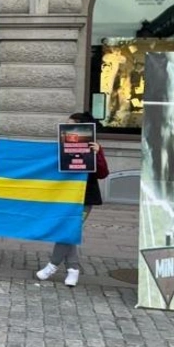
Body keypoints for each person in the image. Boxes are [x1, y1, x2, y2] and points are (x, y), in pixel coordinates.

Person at [36, 111, 109, 287]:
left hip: (85, 197)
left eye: (70, 125)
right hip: (65, 195)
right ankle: (73, 269)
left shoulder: (94, 146)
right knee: (68, 230)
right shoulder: (63, 145)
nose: (66, 128)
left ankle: (52, 265)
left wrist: (97, 154)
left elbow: (103, 173)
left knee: (67, 230)